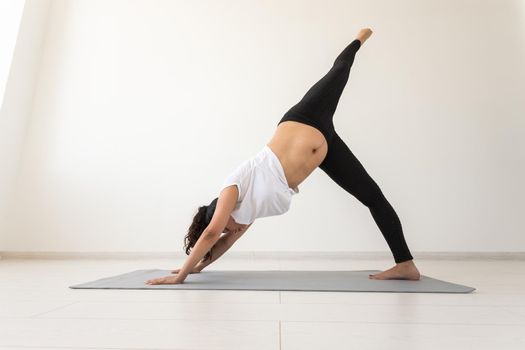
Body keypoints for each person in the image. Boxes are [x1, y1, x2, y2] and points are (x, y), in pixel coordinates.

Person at [146, 28, 421, 285]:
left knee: (339, 70)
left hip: (304, 117)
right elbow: (224, 242)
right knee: (372, 196)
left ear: (218, 216)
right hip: (326, 146)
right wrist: (199, 267)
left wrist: (180, 275)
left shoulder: (231, 189)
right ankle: (406, 265)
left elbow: (210, 234)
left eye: (225, 228)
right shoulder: (246, 214)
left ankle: (360, 36)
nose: (231, 232)